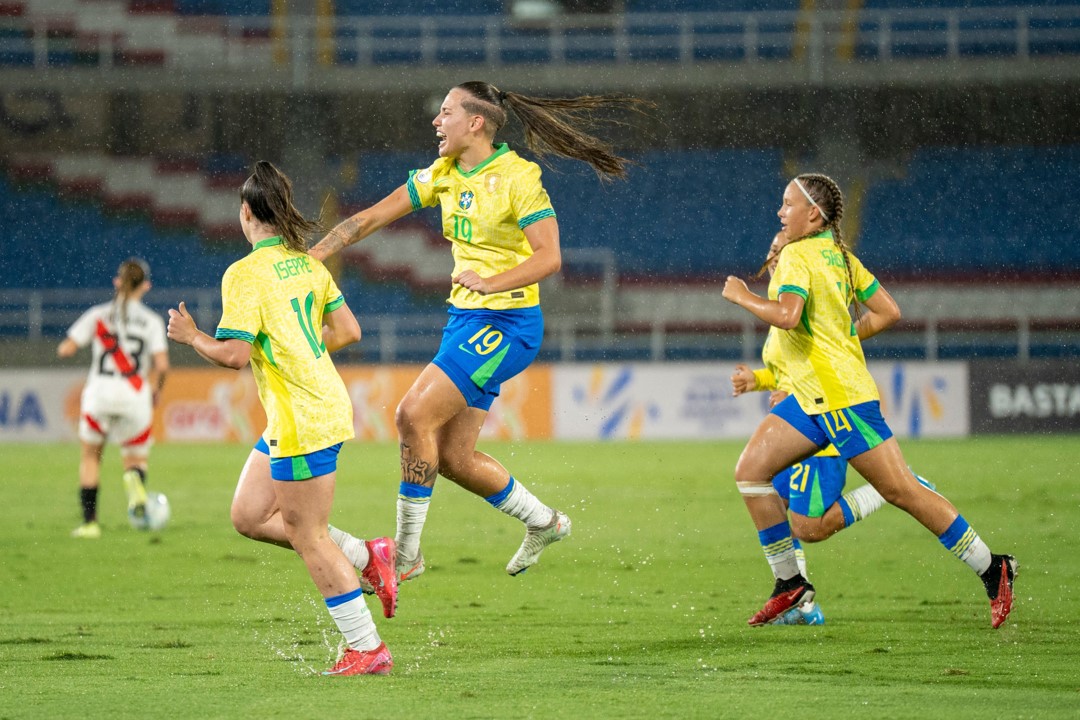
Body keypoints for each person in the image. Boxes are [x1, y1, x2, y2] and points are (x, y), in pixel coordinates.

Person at [309, 81, 648, 582]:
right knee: (452, 457)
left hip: (507, 323)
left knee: (411, 416)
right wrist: (312, 256)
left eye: (445, 112)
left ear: (476, 123)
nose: (435, 121)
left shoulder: (518, 177)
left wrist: (490, 283)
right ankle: (544, 521)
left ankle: (405, 555)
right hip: (464, 321)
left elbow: (550, 257)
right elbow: (370, 218)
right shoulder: (442, 173)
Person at [722, 173, 1017, 629]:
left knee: (902, 491)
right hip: (811, 398)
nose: (780, 212)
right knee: (751, 472)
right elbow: (889, 312)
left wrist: (743, 296)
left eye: (787, 204)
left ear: (813, 214)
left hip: (841, 399)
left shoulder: (798, 254)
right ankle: (791, 584)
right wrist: (842, 340)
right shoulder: (840, 256)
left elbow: (787, 315)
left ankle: (992, 567)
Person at [166, 161, 397, 676]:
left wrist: (191, 335)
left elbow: (233, 356)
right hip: (313, 407)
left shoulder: (244, 274)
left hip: (301, 419)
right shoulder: (308, 265)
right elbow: (349, 331)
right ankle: (367, 555)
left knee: (306, 535)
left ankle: (367, 648)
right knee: (249, 515)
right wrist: (301, 349)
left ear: (246, 213)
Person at [58, 258, 169, 539]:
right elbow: (163, 365)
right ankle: (133, 480)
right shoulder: (152, 321)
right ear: (146, 286)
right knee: (135, 459)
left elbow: (66, 349)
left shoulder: (97, 316)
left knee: (91, 457)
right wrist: (157, 390)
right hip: (135, 396)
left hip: (99, 395)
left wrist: (72, 343)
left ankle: (90, 523)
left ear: (117, 282)